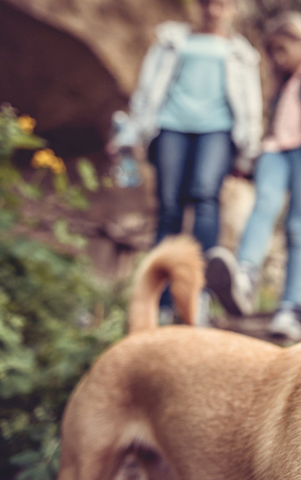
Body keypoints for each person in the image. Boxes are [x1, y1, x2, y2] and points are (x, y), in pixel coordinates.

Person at [206, 11, 301, 341]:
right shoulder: (284, 83)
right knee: (263, 205)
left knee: (297, 225)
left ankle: (290, 308)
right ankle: (244, 278)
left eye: (282, 49)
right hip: (275, 151)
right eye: (273, 53)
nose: (278, 59)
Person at [109, 0, 262, 326]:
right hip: (170, 126)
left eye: (222, 5)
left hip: (218, 131)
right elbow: (146, 90)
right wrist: (130, 134)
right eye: (208, 4)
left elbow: (251, 104)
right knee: (169, 208)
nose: (214, 11)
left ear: (232, 10)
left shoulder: (241, 53)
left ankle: (198, 296)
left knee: (205, 197)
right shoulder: (171, 40)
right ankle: (161, 302)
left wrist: (249, 149)